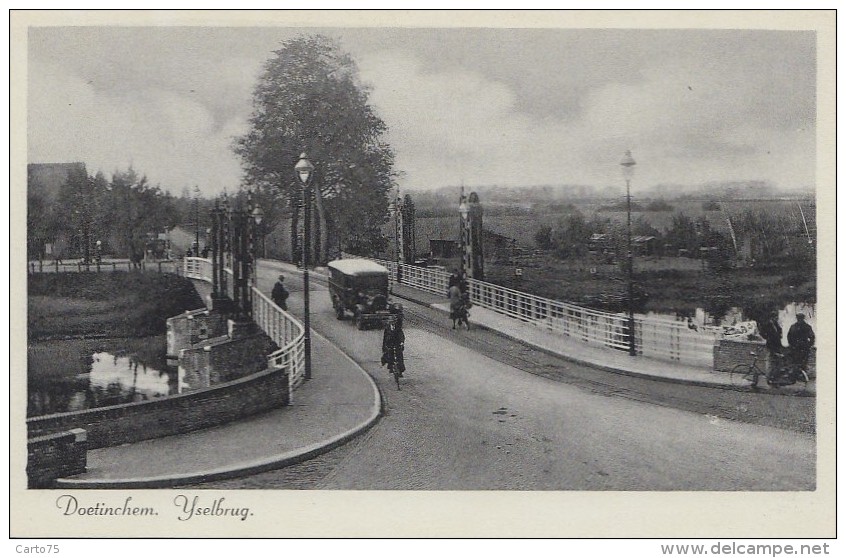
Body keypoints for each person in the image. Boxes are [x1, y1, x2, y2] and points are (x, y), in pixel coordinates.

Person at [756, 311, 784, 385]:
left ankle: (775, 378)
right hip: (771, 345)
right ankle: (769, 379)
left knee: (777, 362)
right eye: (775, 317)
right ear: (772, 317)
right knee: (770, 362)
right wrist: (768, 337)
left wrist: (780, 334)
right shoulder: (768, 324)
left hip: (777, 345)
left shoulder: (776, 324)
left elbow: (780, 330)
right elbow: (762, 333)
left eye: (777, 317)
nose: (776, 319)